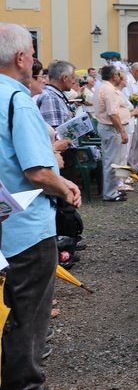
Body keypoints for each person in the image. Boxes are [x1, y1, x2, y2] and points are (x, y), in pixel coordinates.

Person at [0, 23, 81, 389]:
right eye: (32, 55)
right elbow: (36, 170)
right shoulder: (17, 100)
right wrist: (64, 188)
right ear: (21, 58)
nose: (34, 62)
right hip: (24, 230)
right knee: (26, 317)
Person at [92, 65, 131, 202]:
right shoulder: (109, 91)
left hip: (106, 127)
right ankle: (110, 193)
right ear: (114, 76)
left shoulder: (100, 88)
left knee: (112, 160)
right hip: (112, 128)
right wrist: (123, 132)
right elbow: (113, 114)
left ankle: (113, 189)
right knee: (113, 162)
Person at [36, 60, 77, 179]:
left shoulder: (56, 95)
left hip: (63, 152)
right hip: (61, 153)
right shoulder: (50, 97)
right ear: (64, 78)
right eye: (72, 77)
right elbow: (54, 132)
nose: (74, 81)